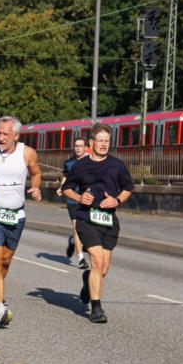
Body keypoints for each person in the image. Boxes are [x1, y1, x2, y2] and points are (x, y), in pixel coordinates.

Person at [61, 123, 134, 324]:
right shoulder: (81, 165)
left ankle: (88, 282)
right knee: (97, 260)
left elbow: (128, 188)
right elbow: (67, 188)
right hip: (86, 218)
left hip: (109, 220)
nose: (103, 144)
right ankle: (96, 308)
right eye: (100, 141)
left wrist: (117, 200)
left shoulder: (117, 165)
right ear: (91, 143)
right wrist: (78, 198)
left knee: (103, 269)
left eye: (106, 141)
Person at [0, 116, 42, 327]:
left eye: (6, 134)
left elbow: (36, 173)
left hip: (16, 215)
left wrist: (36, 186)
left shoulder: (27, 153)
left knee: (5, 262)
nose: (1, 137)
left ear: (16, 135)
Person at [57, 136, 90, 270]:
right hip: (72, 199)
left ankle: (76, 242)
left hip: (88, 199)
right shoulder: (69, 163)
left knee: (87, 228)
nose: (78, 148)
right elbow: (65, 176)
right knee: (76, 228)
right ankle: (81, 258)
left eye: (80, 146)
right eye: (76, 146)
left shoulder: (91, 162)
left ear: (85, 148)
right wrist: (61, 187)